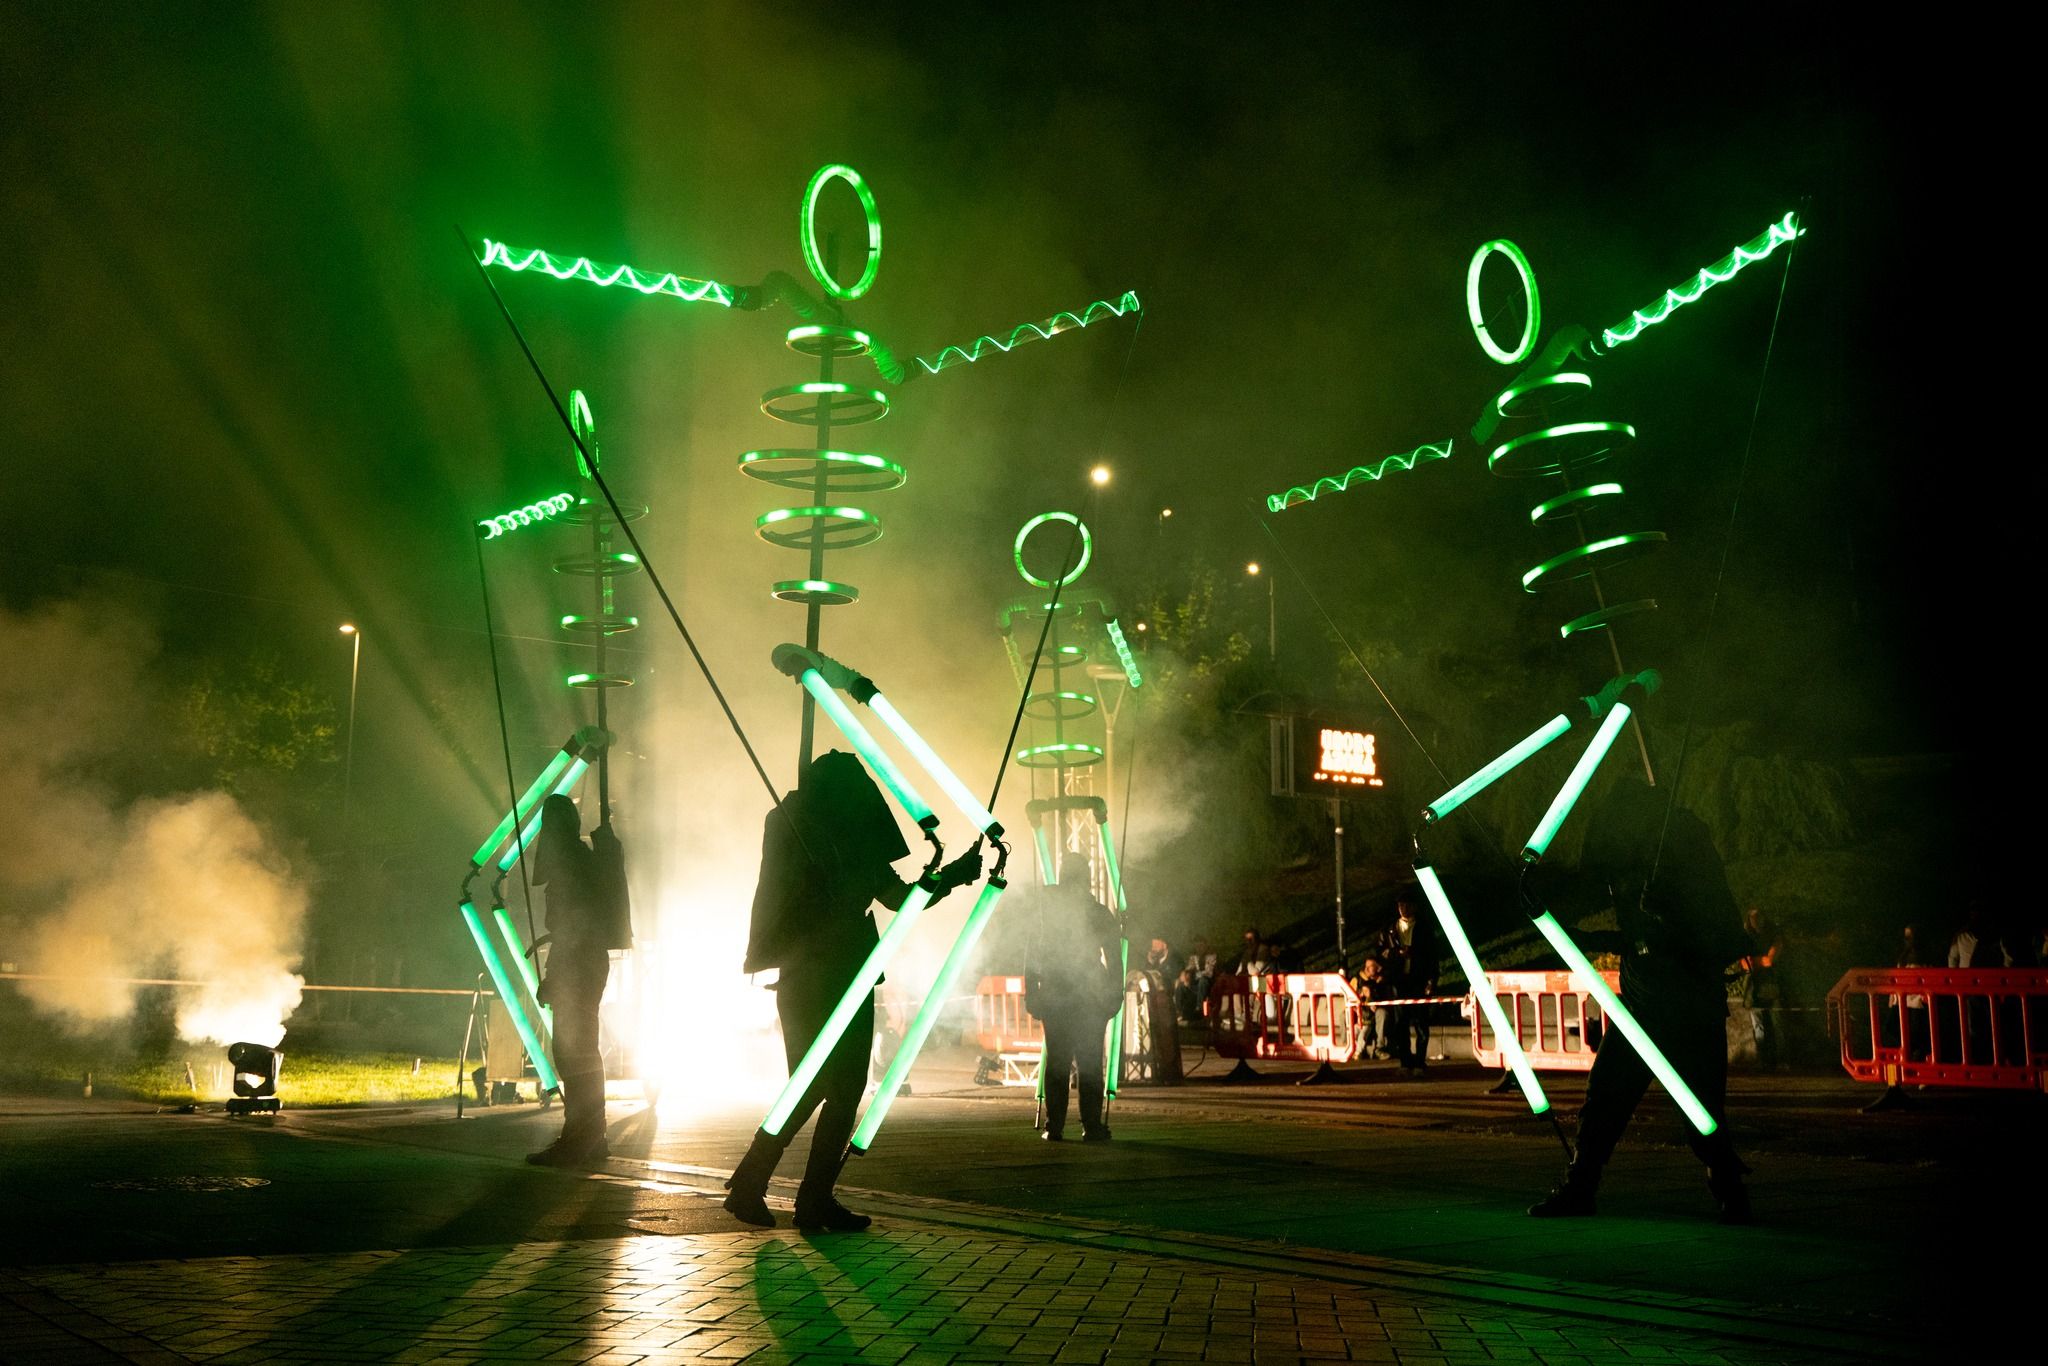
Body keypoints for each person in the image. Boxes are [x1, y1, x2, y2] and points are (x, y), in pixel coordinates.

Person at [723, 751, 981, 1232]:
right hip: (835, 976)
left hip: (813, 977)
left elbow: (896, 897)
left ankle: (786, 1191)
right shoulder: (828, 839)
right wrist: (951, 877)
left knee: (823, 1087)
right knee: (827, 1088)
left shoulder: (799, 833)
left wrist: (950, 877)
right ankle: (781, 1190)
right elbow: (898, 897)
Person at [1527, 778, 1755, 1224]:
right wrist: (1557, 914)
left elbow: (1725, 932)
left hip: (1689, 1003)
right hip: (1640, 1003)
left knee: (1701, 1107)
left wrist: (1672, 913)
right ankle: (1581, 1185)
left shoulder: (1686, 851)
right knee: (1604, 1097)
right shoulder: (1630, 864)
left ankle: (1729, 1188)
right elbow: (1631, 935)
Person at [526, 793, 628, 1167]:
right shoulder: (580, 859)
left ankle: (580, 1139)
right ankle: (590, 1136)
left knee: (574, 1051)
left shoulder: (569, 863)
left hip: (577, 964)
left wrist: (555, 977)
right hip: (584, 961)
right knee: (580, 1049)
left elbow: (573, 926)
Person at [1026, 863, 1125, 1142]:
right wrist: (1114, 993)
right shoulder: (1098, 913)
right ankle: (1091, 1126)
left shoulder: (1045, 911)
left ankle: (1054, 1125)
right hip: (1089, 995)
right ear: (1087, 880)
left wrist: (1032, 992)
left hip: (1055, 993)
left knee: (1057, 1062)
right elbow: (1114, 958)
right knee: (1090, 1063)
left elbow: (1031, 957)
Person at [1378, 890, 1438, 1072]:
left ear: (1414, 907)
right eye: (1400, 906)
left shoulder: (1424, 928)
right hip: (1398, 980)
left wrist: (1431, 980)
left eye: (1406, 905)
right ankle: (1405, 1061)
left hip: (1418, 978)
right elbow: (1381, 953)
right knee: (1400, 1023)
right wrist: (1397, 953)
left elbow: (1432, 956)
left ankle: (1420, 1061)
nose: (1403, 909)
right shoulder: (1389, 929)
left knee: (1421, 1022)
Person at [1739, 908, 1784, 1068]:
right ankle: (1762, 1061)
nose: (1756, 920)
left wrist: (1755, 961)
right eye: (1752, 917)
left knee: (1777, 1025)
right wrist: (1759, 961)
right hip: (1753, 987)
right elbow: (1745, 963)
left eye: (1758, 917)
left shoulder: (1774, 936)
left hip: (1771, 985)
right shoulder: (1747, 937)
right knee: (1759, 1026)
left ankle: (1781, 1060)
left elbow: (1769, 960)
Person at [1175, 938, 1217, 1024]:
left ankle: (1199, 1008)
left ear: (1205, 946)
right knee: (1180, 985)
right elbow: (1189, 967)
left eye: (1201, 946)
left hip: (1208, 983)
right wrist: (1185, 975)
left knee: (1203, 981)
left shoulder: (1212, 956)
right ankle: (1179, 1011)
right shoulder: (1194, 957)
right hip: (1196, 983)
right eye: (1197, 946)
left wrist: (1195, 975)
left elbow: (1209, 972)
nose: (1199, 948)